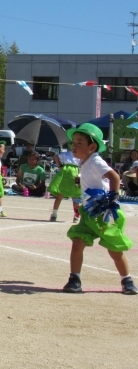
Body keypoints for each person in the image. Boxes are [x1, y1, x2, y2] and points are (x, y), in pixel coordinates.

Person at [62, 123, 137, 295]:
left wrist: (112, 198)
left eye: (79, 142)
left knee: (114, 249)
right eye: (73, 142)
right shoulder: (85, 161)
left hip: (103, 212)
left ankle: (127, 280)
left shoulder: (95, 160)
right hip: (89, 211)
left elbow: (114, 177)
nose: (74, 145)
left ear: (92, 147)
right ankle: (75, 279)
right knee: (78, 241)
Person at [48, 146, 81, 222]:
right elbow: (56, 156)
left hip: (74, 173)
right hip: (66, 173)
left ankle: (76, 215)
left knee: (75, 196)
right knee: (61, 195)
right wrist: (59, 166)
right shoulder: (67, 154)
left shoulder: (79, 155)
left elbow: (56, 156)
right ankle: (54, 214)